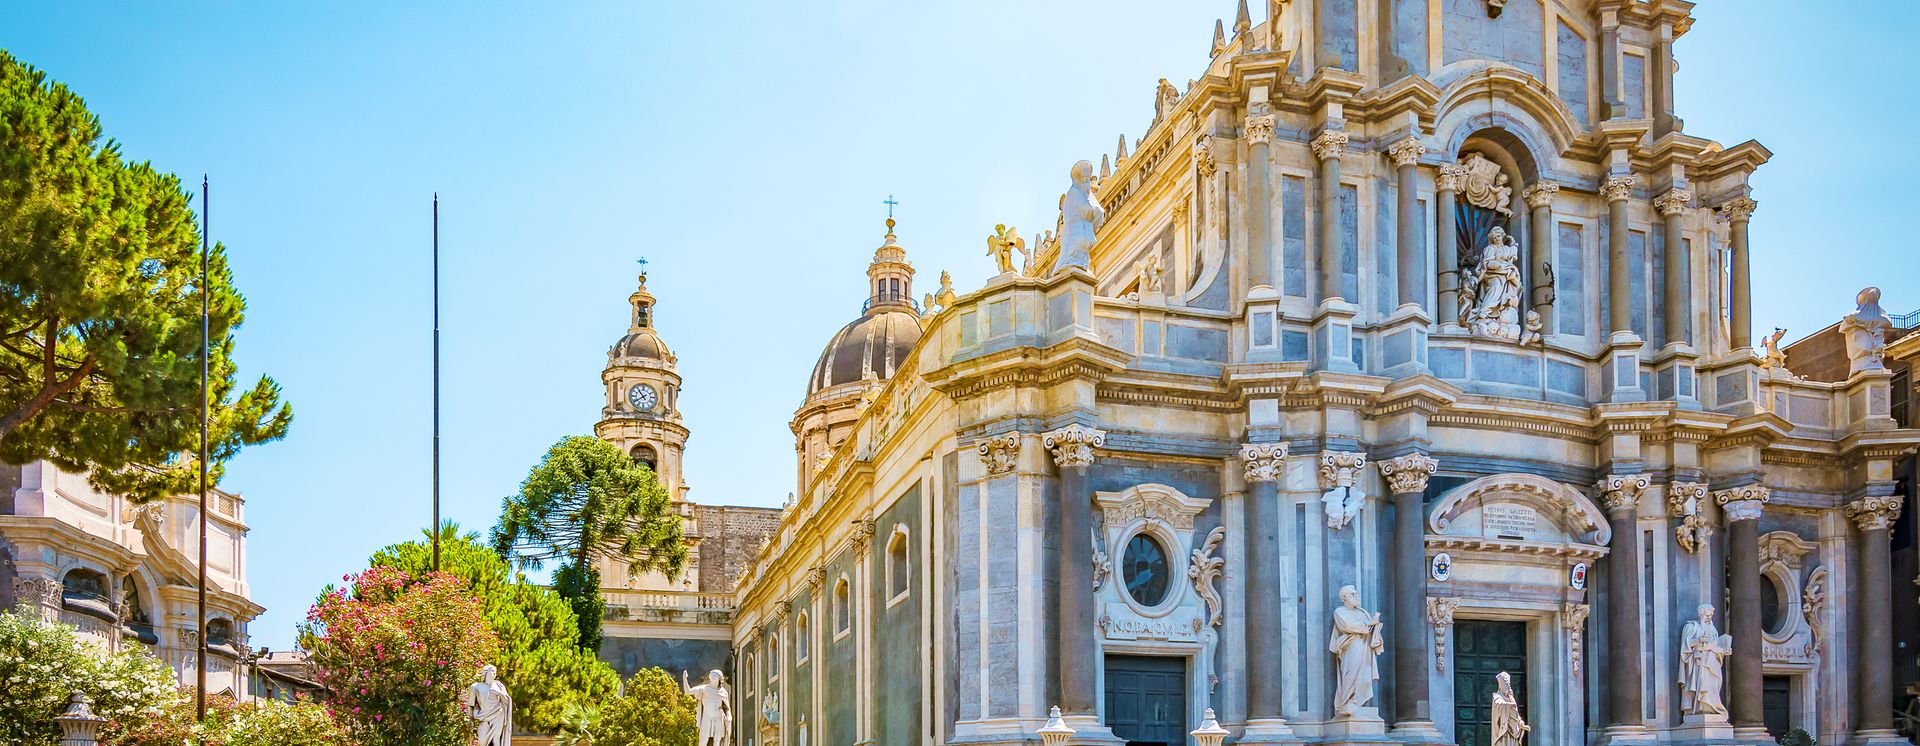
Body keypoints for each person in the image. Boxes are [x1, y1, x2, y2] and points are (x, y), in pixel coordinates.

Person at [1328, 585, 1384, 717]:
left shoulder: (1362, 612)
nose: (1356, 596)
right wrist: (1370, 623)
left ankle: (1356, 700)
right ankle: (1345, 701)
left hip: (1365, 647)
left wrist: (1375, 629)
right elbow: (1348, 626)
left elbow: (1369, 629)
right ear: (1345, 597)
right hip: (1350, 647)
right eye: (1353, 594)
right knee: (1350, 674)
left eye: (1356, 593)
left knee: (1364, 676)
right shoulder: (1339, 612)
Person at [1679, 604, 1731, 716]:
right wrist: (1698, 640)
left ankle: (1712, 707)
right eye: (1707, 615)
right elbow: (1685, 646)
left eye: (1711, 615)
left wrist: (1723, 651)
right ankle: (1700, 708)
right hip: (1699, 662)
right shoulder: (1692, 626)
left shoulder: (1713, 629)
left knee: (1713, 686)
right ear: (1701, 614)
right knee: (1703, 684)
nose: (1709, 617)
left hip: (1712, 662)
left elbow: (1714, 646)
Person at [467, 664, 513, 746]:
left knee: (496, 740)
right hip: (483, 716)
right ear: (485, 672)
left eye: (495, 671)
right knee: (482, 741)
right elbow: (470, 705)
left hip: (498, 714)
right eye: (491, 671)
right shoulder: (476, 687)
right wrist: (471, 719)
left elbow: (507, 702)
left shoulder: (499, 686)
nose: (494, 673)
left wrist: (499, 693)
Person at [684, 668, 733, 746]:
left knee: (717, 740)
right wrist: (684, 679)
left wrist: (729, 716)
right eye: (711, 675)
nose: (712, 676)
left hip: (719, 717)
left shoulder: (723, 692)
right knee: (703, 740)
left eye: (714, 675)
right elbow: (688, 691)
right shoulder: (704, 689)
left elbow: (727, 708)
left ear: (719, 678)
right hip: (707, 717)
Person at [1491, 671, 1529, 746]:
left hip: (1512, 730)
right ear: (1500, 685)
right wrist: (1509, 705)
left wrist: (1520, 722)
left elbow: (1515, 713)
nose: (1507, 686)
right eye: (1505, 684)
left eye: (1508, 684)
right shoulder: (1497, 696)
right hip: (1503, 730)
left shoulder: (1511, 698)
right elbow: (1498, 703)